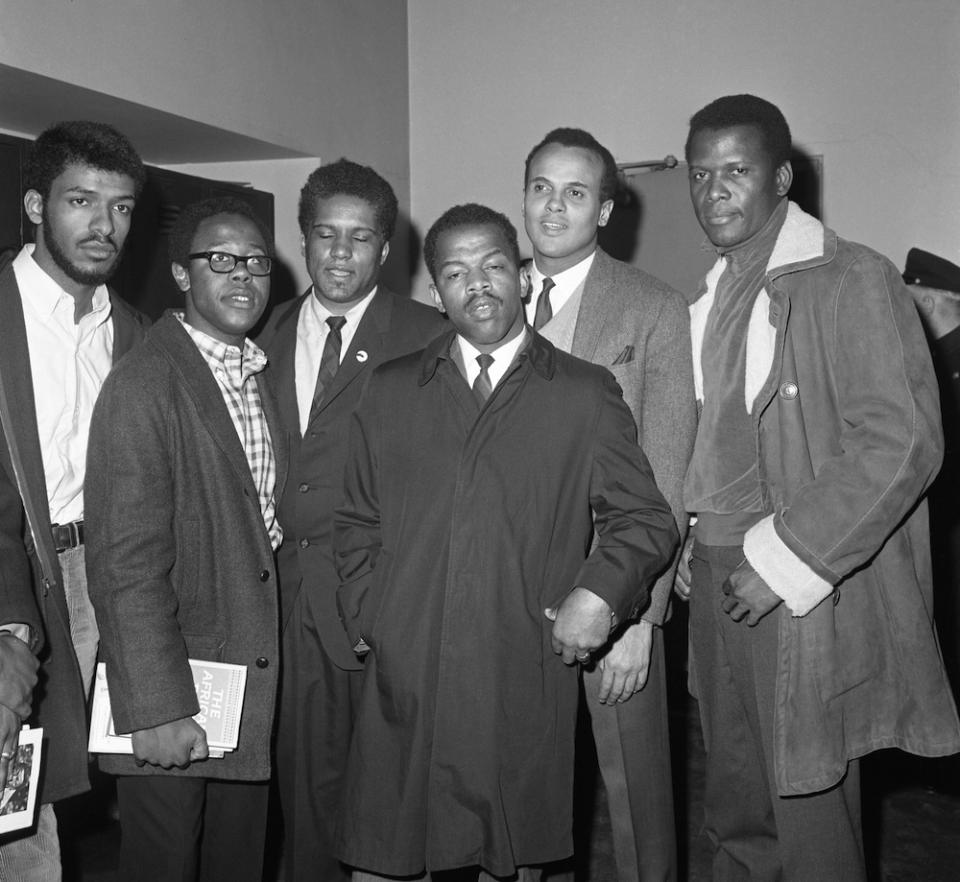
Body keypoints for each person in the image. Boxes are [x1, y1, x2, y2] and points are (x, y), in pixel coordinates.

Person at [333, 203, 678, 881]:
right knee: (392, 856)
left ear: (523, 278)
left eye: (494, 266)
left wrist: (600, 595)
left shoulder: (582, 392)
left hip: (518, 671)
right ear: (436, 292)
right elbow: (356, 521)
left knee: (511, 858)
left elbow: (645, 519)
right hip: (410, 672)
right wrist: (373, 618)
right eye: (456, 273)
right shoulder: (392, 388)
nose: (478, 284)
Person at [676, 93, 960, 880]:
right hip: (712, 574)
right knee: (734, 808)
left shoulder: (850, 277)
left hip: (792, 583)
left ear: (783, 178)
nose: (714, 191)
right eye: (700, 174)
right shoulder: (712, 292)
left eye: (736, 170)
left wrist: (785, 559)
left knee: (808, 813)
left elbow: (903, 441)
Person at [85, 197, 286, 881]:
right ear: (181, 273)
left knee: (236, 867)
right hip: (175, 695)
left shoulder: (257, 377)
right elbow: (124, 564)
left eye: (256, 262)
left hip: (243, 686)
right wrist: (158, 706)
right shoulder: (144, 384)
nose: (242, 275)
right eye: (220, 260)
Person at [257, 158, 446, 881]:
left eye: (360, 238)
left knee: (399, 803)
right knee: (306, 799)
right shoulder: (262, 334)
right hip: (288, 604)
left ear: (387, 248)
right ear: (301, 241)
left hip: (390, 602)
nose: (340, 253)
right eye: (325, 235)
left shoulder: (431, 335)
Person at [522, 127, 696, 881]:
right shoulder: (479, 293)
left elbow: (666, 474)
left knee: (634, 800)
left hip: (611, 590)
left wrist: (642, 618)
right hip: (502, 590)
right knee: (520, 794)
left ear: (605, 210)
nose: (554, 207)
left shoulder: (653, 307)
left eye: (575, 192)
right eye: (540, 188)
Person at [0, 120, 147, 878]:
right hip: (18, 576)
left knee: (60, 781)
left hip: (105, 575)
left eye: (120, 207)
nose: (103, 225)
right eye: (81, 201)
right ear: (34, 204)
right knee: (16, 799)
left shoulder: (133, 331)